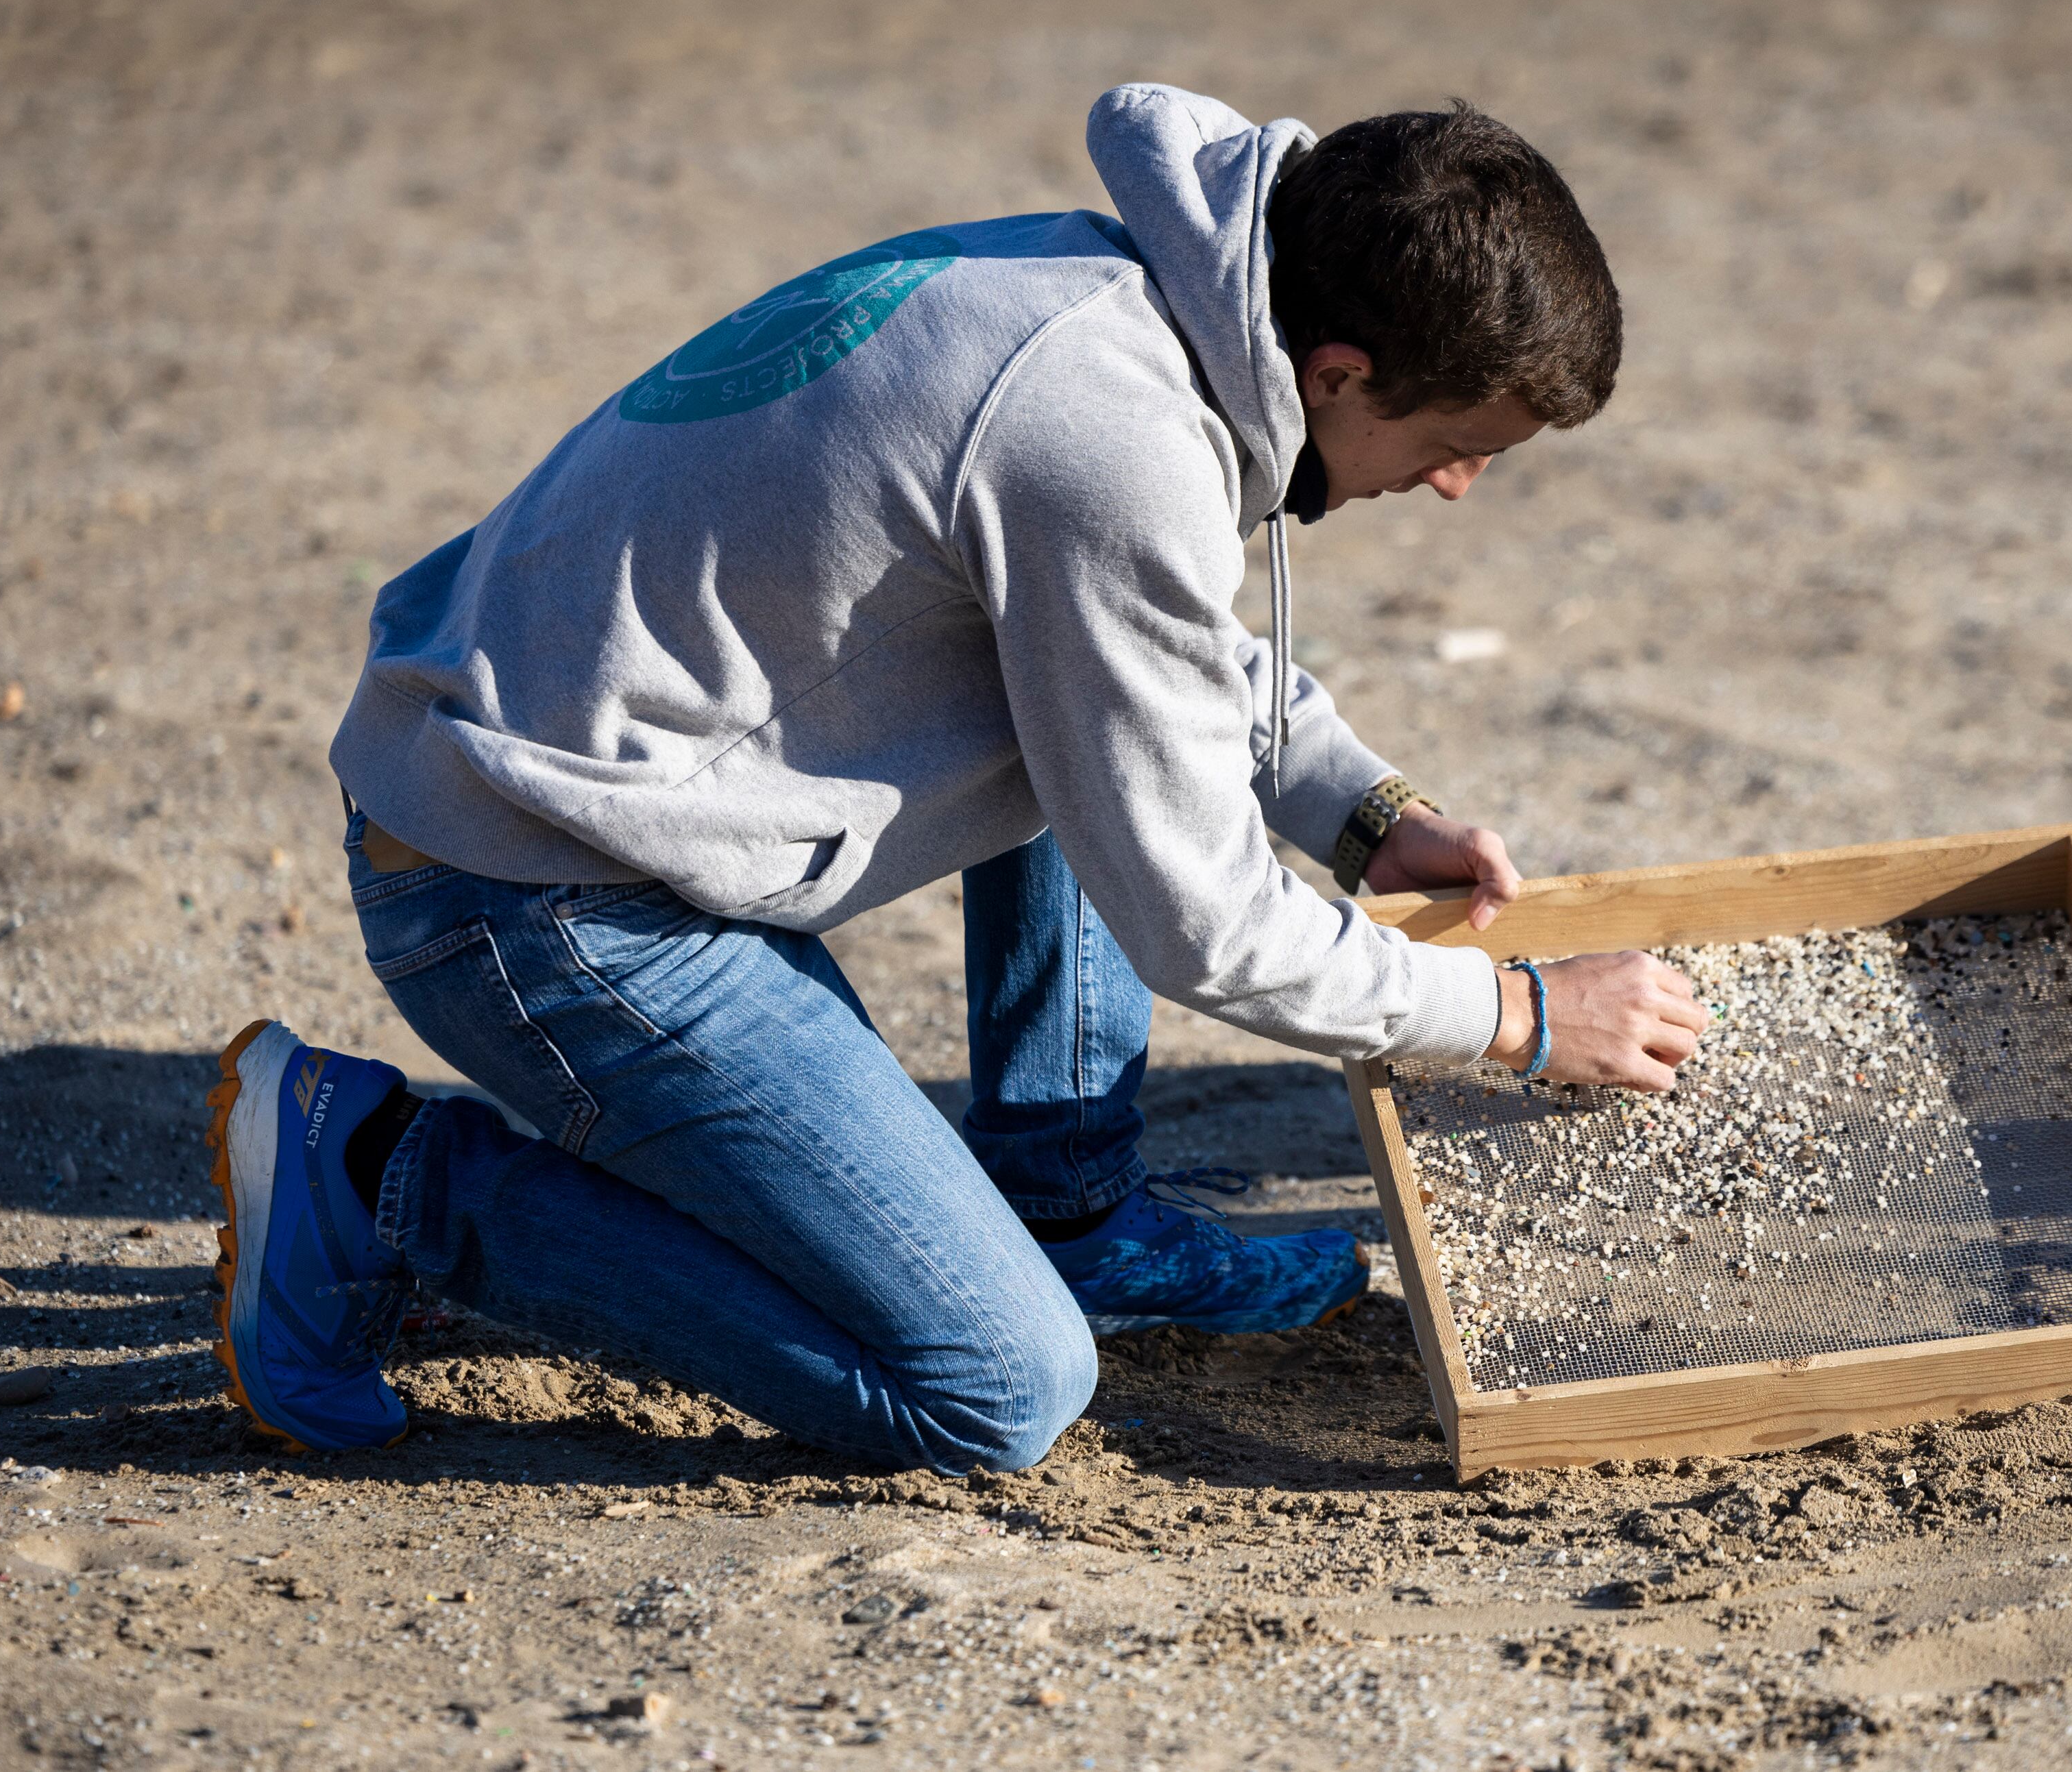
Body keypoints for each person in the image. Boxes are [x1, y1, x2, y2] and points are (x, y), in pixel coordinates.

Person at [206, 85, 1707, 1468]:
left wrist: (1361, 811)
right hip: (534, 897)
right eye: (1456, 447)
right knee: (993, 1387)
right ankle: (388, 1184)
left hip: (566, 787)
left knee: (1088, 730)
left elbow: (1143, 658)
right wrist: (1516, 1017)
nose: (1453, 488)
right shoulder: (1105, 441)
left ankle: (1068, 1207)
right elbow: (1207, 931)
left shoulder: (1110, 296)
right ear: (1336, 371)